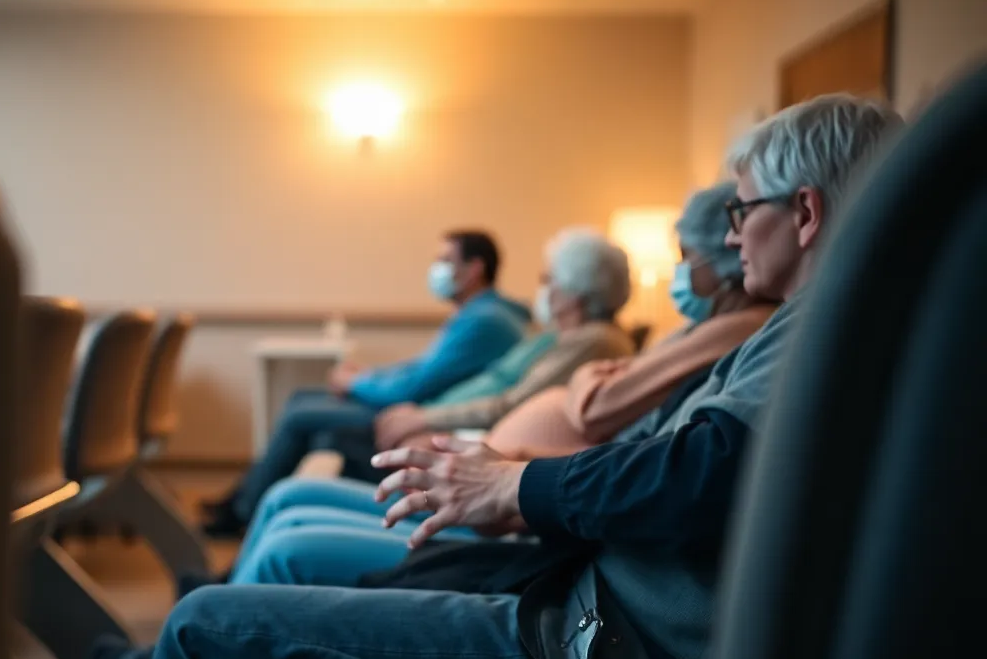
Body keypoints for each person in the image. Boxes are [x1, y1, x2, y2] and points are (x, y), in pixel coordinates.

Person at [105, 95, 903, 659]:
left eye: (740, 214)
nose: (731, 241)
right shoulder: (831, 328)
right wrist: (510, 487)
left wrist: (514, 487)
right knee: (261, 581)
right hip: (592, 595)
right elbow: (676, 453)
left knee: (210, 622)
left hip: (609, 642)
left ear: (803, 214)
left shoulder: (822, 328)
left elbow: (699, 470)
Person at [192, 182, 774, 590]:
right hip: (492, 471)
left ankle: (220, 575)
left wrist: (448, 432)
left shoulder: (603, 342)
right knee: (294, 485)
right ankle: (225, 566)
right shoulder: (566, 336)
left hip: (503, 493)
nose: (540, 289)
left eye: (549, 280)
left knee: (296, 480)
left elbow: (582, 405)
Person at [201, 229, 530, 537]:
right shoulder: (480, 314)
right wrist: (366, 376)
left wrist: (357, 382)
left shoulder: (487, 321)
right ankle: (244, 498)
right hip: (418, 406)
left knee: (301, 416)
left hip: (417, 412)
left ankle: (243, 510)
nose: (436, 269)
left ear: (474, 269)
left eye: (445, 260)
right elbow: (419, 369)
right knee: (303, 400)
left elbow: (413, 386)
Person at [485, 180, 779, 459]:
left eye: (685, 255)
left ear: (724, 261)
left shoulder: (737, 327)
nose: (680, 268)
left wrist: (517, 467)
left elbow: (595, 409)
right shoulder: (705, 326)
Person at [331, 227, 636, 483]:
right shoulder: (557, 335)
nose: (542, 289)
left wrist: (426, 419)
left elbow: (511, 403)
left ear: (576, 291)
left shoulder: (596, 340)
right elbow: (492, 383)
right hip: (451, 427)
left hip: (479, 448)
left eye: (548, 280)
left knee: (333, 440)